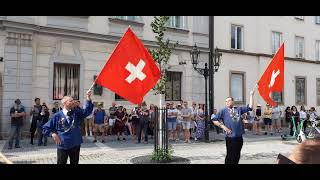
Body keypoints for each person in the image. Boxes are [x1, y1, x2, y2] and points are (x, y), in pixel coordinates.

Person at [43, 90, 93, 164]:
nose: (73, 102)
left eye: (73, 100)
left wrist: (88, 98)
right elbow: (45, 128)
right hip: (63, 145)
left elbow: (87, 111)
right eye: (71, 101)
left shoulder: (77, 112)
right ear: (64, 103)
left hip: (75, 144)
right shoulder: (57, 116)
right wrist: (52, 134)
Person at [212, 88, 255, 164]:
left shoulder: (238, 109)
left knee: (237, 155)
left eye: (229, 100)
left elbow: (250, 107)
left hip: (239, 137)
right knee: (230, 155)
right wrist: (223, 127)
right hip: (230, 138)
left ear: (233, 101)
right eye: (226, 101)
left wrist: (251, 95)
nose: (227, 102)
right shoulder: (223, 110)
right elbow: (214, 120)